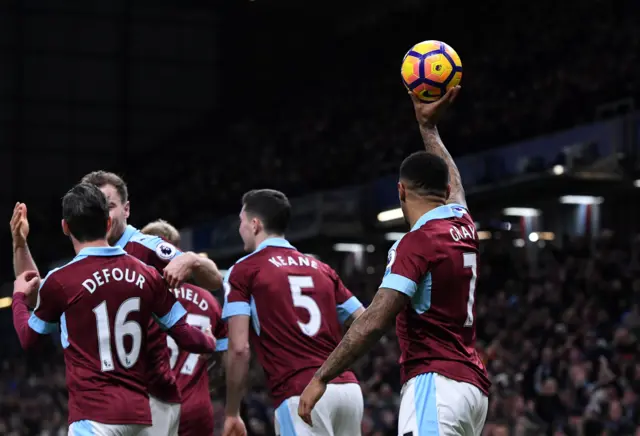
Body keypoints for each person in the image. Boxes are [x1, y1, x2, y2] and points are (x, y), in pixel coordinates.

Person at [298, 86, 490, 436]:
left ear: (400, 191)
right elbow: (457, 184)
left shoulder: (416, 243)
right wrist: (428, 129)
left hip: (436, 384)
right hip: (472, 390)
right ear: (445, 190)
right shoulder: (463, 223)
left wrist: (321, 376)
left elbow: (373, 322)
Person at [11, 170, 224, 436]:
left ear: (126, 209)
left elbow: (214, 281)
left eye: (108, 204)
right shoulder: (91, 256)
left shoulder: (147, 248)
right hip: (130, 404)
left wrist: (192, 259)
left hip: (150, 396)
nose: (104, 212)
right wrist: (20, 244)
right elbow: (38, 295)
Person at [222, 189, 366, 436]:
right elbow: (365, 320)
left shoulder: (244, 270)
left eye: (241, 221)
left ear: (255, 225)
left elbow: (238, 349)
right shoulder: (322, 268)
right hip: (348, 391)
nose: (240, 228)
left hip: (300, 394)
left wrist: (232, 412)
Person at [141, 219, 228, 436]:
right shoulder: (209, 300)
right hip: (196, 407)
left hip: (153, 407)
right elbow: (224, 360)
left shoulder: (140, 298)